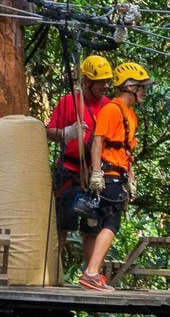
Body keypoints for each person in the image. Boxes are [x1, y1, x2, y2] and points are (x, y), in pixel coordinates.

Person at [79, 62, 153, 292]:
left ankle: (93, 273)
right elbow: (98, 141)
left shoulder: (130, 115)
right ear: (130, 86)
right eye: (141, 87)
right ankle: (91, 273)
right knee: (110, 222)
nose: (144, 91)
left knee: (104, 223)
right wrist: (96, 172)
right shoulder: (112, 109)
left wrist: (131, 177)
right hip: (108, 173)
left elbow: (126, 150)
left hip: (118, 173)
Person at [46, 55, 113, 271]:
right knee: (61, 226)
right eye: (101, 81)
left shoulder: (109, 107)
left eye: (107, 81)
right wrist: (67, 133)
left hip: (95, 174)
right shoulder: (69, 102)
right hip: (70, 171)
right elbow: (50, 132)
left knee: (92, 228)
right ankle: (52, 273)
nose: (105, 85)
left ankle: (91, 274)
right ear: (87, 81)